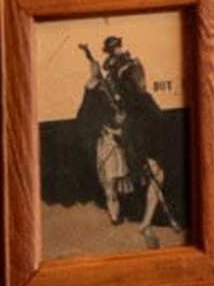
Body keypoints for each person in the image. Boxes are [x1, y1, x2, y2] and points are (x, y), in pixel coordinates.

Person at [66, 32, 178, 233]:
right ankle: (118, 215)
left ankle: (147, 216)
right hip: (115, 135)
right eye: (111, 52)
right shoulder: (103, 86)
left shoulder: (131, 71)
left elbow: (140, 92)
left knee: (152, 169)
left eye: (116, 49)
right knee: (110, 183)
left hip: (132, 127)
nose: (114, 55)